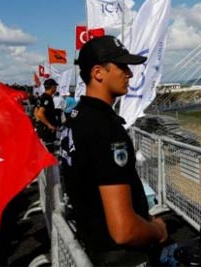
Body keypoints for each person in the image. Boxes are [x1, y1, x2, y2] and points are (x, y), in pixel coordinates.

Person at [60, 36, 167, 266]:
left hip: (93, 247)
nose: (129, 73)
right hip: (121, 256)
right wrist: (157, 231)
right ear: (98, 72)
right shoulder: (105, 128)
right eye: (122, 66)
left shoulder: (76, 118)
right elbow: (124, 230)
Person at [33, 78, 60, 150]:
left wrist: (39, 124)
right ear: (53, 87)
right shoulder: (47, 98)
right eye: (55, 86)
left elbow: (35, 112)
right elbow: (39, 113)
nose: (56, 88)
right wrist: (49, 125)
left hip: (41, 128)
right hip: (47, 130)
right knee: (48, 149)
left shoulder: (40, 97)